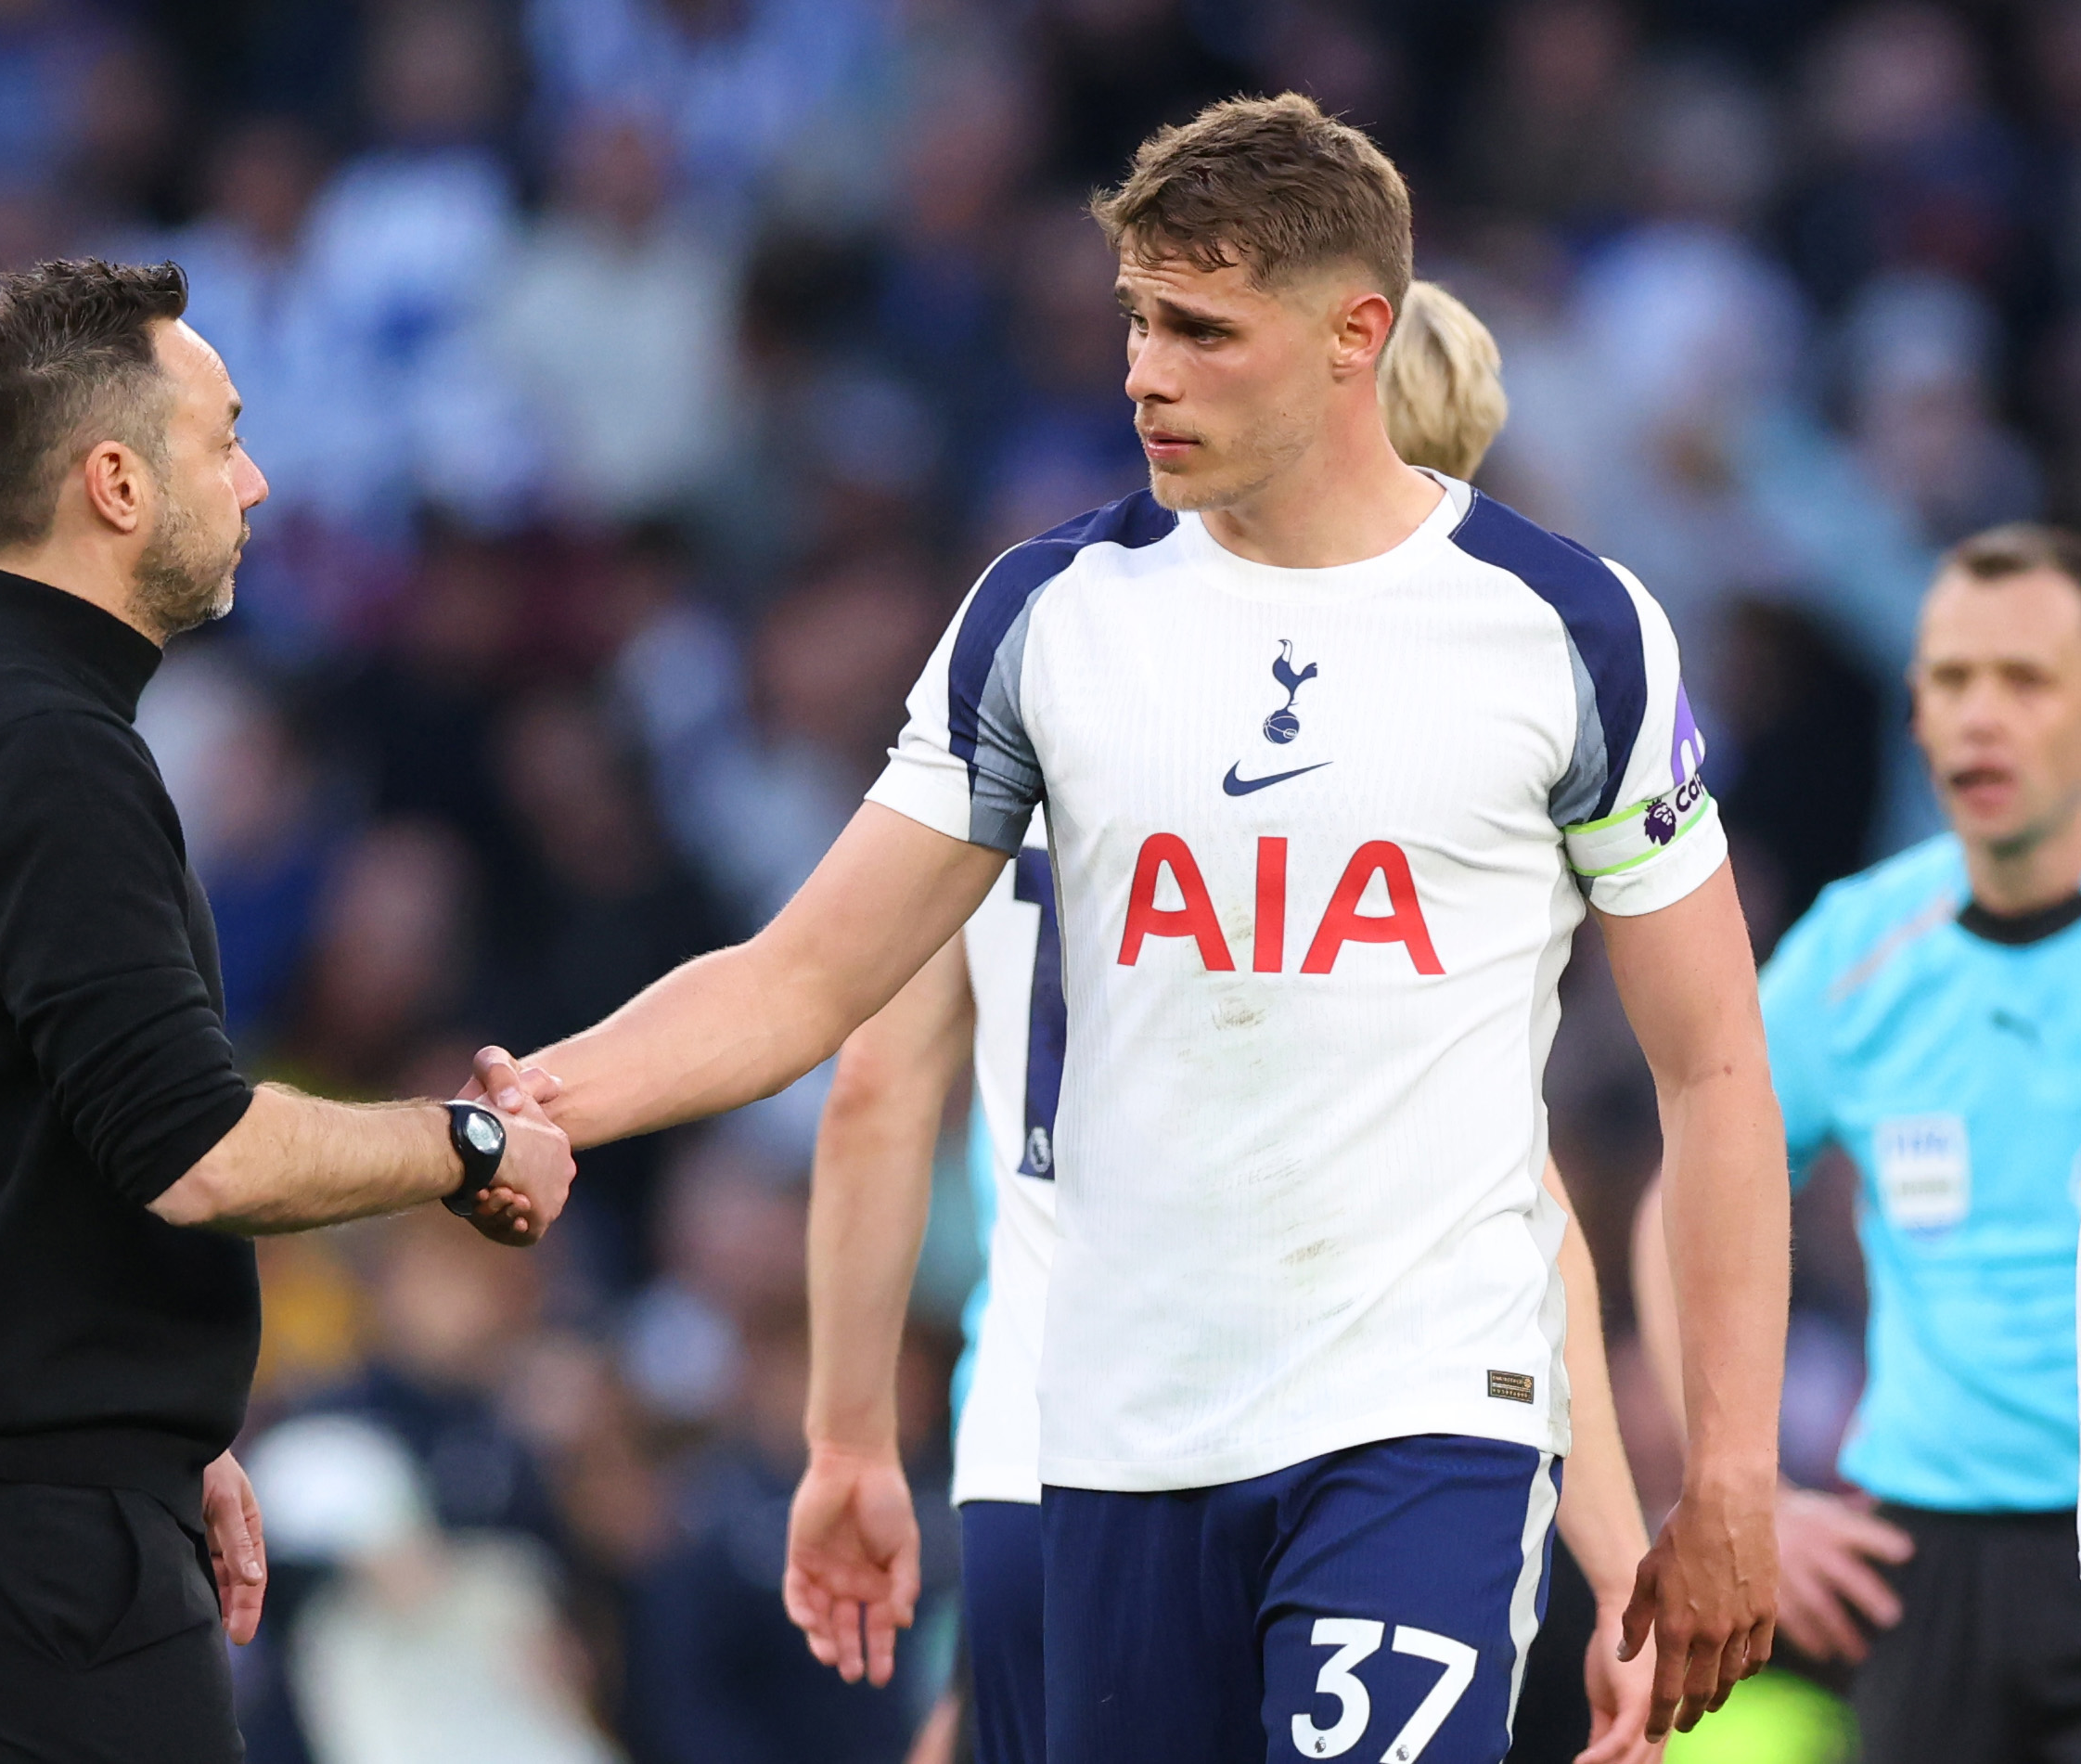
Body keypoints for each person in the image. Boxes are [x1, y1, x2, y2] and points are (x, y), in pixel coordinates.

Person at [484, 94, 1788, 1759]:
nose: (1141, 372)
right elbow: (806, 979)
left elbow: (1715, 1065)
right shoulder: (1047, 617)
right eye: (1134, 321)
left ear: (1354, 339)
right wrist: (538, 1102)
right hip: (1113, 1434)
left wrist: (1728, 1471)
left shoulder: (1570, 630)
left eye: (1199, 329)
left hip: (1424, 1419)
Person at [777, 278, 1663, 1764]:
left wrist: (848, 1432)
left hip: (1048, 1430)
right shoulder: (1424, 754)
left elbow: (872, 1081)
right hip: (1350, 1412)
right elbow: (1521, 1197)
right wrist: (1620, 1543)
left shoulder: (1057, 675)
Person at [0, 257, 574, 1764]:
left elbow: (15, 1146)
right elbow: (197, 1149)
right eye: (223, 437)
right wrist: (468, 1141)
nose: (260, 481)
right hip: (20, 1543)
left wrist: (158, 1435)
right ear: (117, 482)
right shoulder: (43, 748)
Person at [1637, 522, 2081, 1761]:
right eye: (1949, 680)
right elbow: (1692, 1194)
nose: (1980, 716)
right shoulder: (1860, 951)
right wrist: (1743, 1481)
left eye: (2027, 679)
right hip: (1929, 1562)